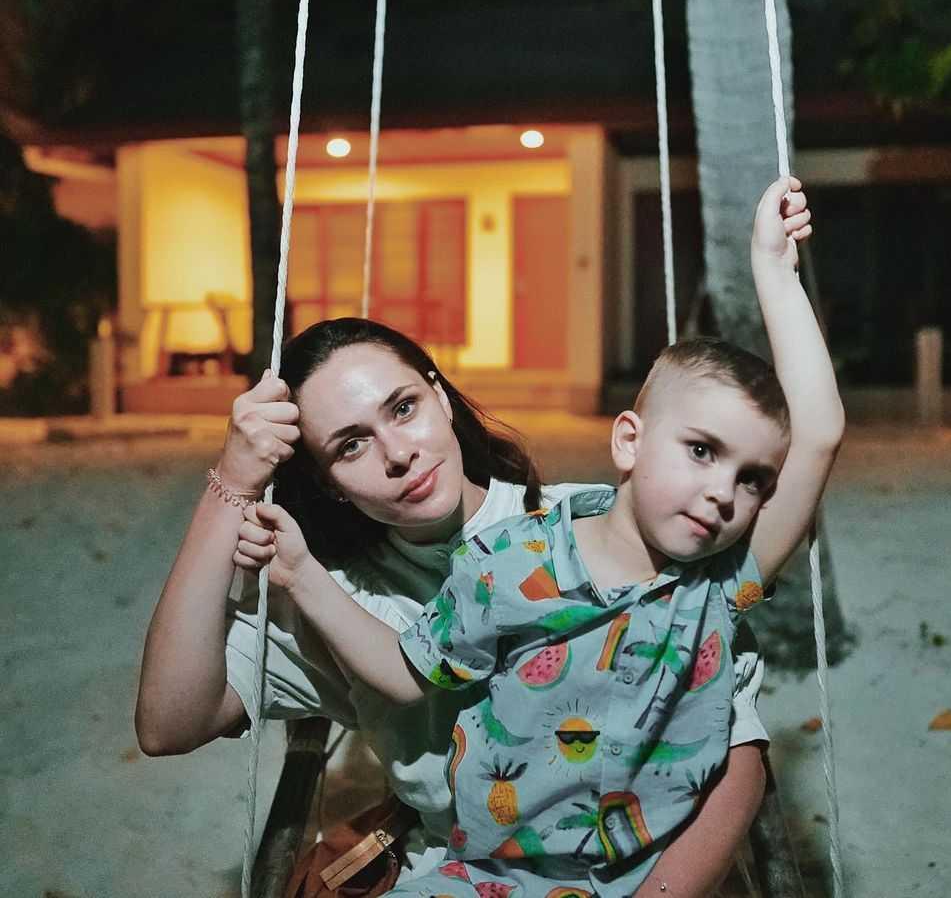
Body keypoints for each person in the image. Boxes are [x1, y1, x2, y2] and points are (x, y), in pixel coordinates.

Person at [231, 176, 844, 896]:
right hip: (492, 872)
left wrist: (774, 271)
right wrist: (301, 575)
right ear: (628, 440)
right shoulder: (510, 558)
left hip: (640, 874)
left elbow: (818, 433)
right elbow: (405, 671)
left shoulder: (719, 580)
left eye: (752, 479)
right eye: (701, 451)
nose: (722, 492)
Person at [136, 319, 779, 887]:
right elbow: (168, 724)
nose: (398, 454)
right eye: (351, 445)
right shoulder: (336, 595)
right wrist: (232, 481)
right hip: (465, 874)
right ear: (328, 483)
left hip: (644, 875)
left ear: (440, 396)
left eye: (404, 408)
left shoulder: (597, 531)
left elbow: (737, 748)